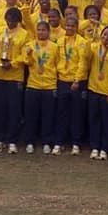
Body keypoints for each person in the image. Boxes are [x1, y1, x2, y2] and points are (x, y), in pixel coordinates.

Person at [74, 25, 108, 161]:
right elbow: (85, 57)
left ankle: (105, 148)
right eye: (104, 34)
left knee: (107, 121)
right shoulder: (94, 47)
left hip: (107, 92)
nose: (105, 37)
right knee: (94, 120)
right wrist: (89, 38)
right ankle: (95, 146)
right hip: (94, 89)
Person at [0, 7, 30, 154]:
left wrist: (12, 63)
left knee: (14, 109)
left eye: (13, 20)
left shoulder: (24, 34)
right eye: (8, 19)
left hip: (15, 77)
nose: (10, 22)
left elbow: (25, 56)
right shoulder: (1, 31)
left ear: (18, 20)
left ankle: (12, 140)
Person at [23, 22, 60, 155]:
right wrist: (28, 55)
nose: (41, 32)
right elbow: (26, 63)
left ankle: (46, 142)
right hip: (33, 85)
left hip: (50, 86)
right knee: (31, 116)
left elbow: (58, 65)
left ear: (48, 32)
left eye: (44, 30)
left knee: (48, 116)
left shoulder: (55, 47)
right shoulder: (30, 45)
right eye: (39, 30)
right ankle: (30, 142)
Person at [55, 16, 89, 156]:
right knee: (62, 113)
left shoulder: (82, 42)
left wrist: (77, 80)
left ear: (77, 27)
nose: (69, 28)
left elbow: (83, 63)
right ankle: (60, 142)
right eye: (67, 26)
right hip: (62, 80)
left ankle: (76, 142)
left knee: (77, 113)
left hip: (77, 82)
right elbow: (56, 59)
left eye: (72, 26)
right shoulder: (60, 41)